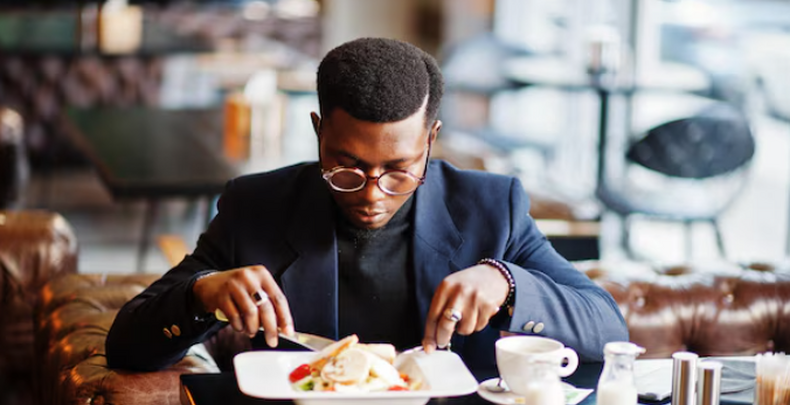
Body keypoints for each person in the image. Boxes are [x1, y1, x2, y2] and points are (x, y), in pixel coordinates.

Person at [106, 37, 628, 374]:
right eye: (347, 168)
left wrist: (507, 283)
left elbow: (607, 329)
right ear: (318, 132)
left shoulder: (491, 207)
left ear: (432, 139)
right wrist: (202, 294)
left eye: (400, 169)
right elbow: (126, 345)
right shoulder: (257, 207)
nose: (373, 194)